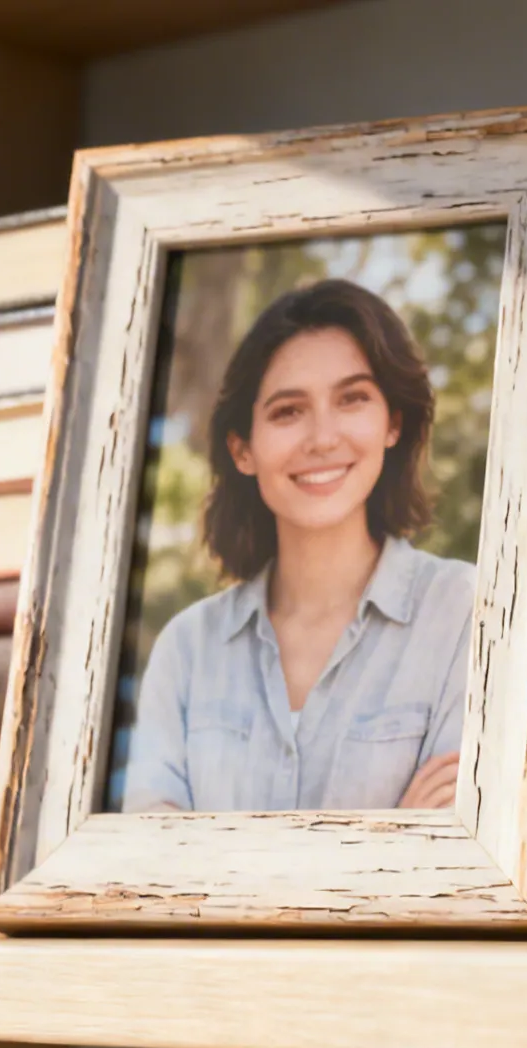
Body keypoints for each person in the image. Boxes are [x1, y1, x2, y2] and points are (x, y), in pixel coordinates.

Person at [122, 278, 475, 813]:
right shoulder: (186, 651)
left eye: (352, 398)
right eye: (288, 410)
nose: (322, 438)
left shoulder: (465, 614)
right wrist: (393, 842)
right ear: (243, 449)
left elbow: (455, 873)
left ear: (392, 423)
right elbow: (152, 884)